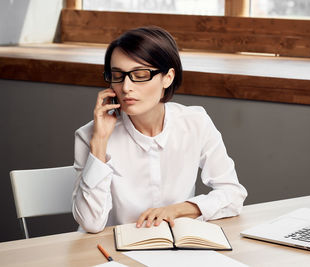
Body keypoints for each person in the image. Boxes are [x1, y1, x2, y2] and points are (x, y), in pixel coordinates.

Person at [72, 26, 247, 233]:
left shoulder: (195, 122)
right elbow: (90, 223)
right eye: (118, 75)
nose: (126, 87)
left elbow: (233, 194)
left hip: (175, 247)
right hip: (113, 250)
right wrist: (99, 143)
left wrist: (179, 210)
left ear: (168, 77)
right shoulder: (90, 136)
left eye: (140, 74)